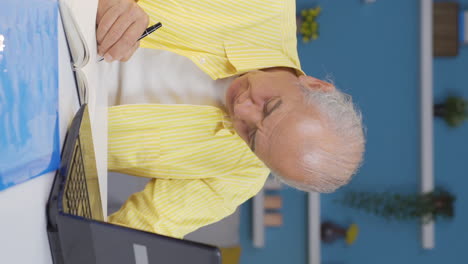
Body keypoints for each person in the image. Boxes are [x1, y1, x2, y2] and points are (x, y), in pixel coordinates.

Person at [97, 0, 365, 238]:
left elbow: (142, 228)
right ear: (314, 85)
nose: (242, 110)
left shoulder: (241, 176)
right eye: (270, 106)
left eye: (251, 137)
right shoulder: (267, 5)